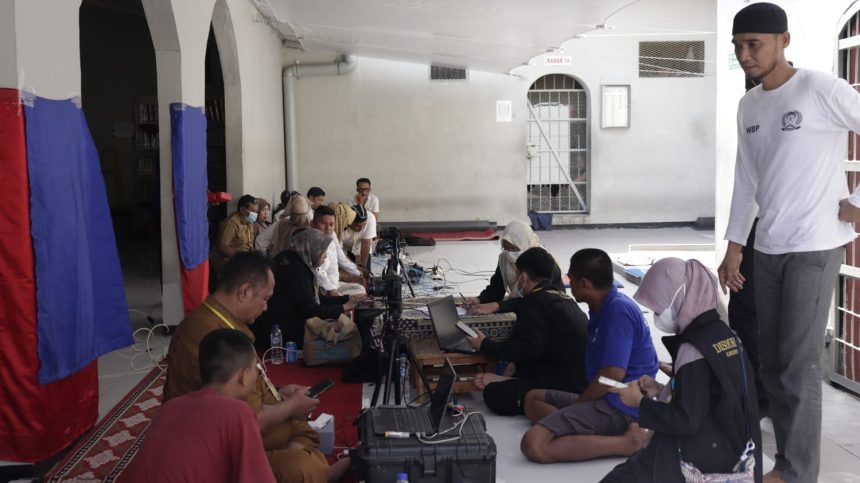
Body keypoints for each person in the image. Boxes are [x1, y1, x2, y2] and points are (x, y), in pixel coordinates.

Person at [719, 3, 860, 481]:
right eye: (738, 46)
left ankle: (797, 472)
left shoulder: (821, 88)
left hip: (815, 245)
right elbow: (746, 179)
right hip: (769, 247)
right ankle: (787, 462)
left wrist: (857, 201)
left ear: (784, 41)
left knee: (798, 365)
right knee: (773, 365)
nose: (745, 55)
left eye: (754, 44)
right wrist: (735, 245)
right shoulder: (749, 105)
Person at [163, 251, 349, 482]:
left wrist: (279, 392)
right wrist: (290, 407)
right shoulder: (210, 333)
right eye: (265, 299)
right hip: (213, 443)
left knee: (303, 429)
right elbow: (241, 419)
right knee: (305, 467)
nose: (266, 308)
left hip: (241, 419)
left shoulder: (217, 319)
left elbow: (236, 386)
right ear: (244, 292)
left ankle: (290, 460)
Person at [600, 258, 763, 483]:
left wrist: (639, 402)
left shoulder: (692, 349)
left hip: (702, 459)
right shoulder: (725, 335)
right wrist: (663, 389)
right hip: (735, 448)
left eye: (659, 307)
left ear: (679, 298)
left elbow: (686, 420)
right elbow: (711, 395)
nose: (657, 314)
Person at [520, 248, 658, 464]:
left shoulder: (618, 311)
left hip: (621, 404)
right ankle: (584, 432)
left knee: (533, 444)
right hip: (606, 395)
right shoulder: (603, 306)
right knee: (532, 398)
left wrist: (580, 405)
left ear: (584, 284)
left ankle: (629, 442)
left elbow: (612, 374)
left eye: (571, 279)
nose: (568, 283)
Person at [126, 329, 276, 483]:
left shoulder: (168, 407)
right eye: (256, 368)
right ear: (244, 376)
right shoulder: (239, 413)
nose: (258, 375)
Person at [465, 247, 588, 416]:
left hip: (564, 383)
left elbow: (527, 348)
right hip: (578, 376)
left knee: (494, 394)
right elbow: (536, 342)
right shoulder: (560, 296)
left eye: (517, 275)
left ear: (523, 277)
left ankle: (519, 386)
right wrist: (515, 363)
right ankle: (514, 380)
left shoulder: (533, 304)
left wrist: (485, 345)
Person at [253, 228, 365, 349]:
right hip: (277, 331)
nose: (325, 256)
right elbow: (312, 310)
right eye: (322, 252)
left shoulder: (291, 258)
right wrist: (343, 308)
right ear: (312, 250)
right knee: (337, 330)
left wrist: (347, 299)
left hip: (271, 323)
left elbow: (315, 299)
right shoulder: (297, 273)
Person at [465, 220, 563, 314]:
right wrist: (479, 300)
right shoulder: (505, 258)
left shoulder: (544, 263)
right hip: (524, 306)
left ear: (525, 244)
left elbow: (539, 300)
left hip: (546, 310)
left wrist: (498, 306)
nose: (510, 253)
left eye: (514, 249)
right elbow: (496, 289)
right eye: (505, 248)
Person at [312, 205, 366, 296]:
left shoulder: (331, 241)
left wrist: (337, 286)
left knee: (360, 289)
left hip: (333, 285)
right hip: (319, 289)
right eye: (323, 223)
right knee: (352, 297)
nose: (328, 228)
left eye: (331, 224)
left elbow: (333, 270)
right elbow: (317, 273)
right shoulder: (310, 243)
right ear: (312, 223)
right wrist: (331, 291)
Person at [211, 194, 258, 275]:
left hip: (245, 260)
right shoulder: (232, 223)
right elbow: (222, 247)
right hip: (230, 261)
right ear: (242, 210)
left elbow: (249, 244)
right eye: (253, 211)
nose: (255, 214)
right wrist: (240, 258)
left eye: (257, 211)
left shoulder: (249, 222)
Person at [342, 205, 376, 269]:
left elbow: (366, 243)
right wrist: (355, 267)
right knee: (349, 271)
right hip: (345, 249)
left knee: (365, 271)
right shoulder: (341, 224)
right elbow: (339, 252)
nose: (361, 228)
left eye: (363, 224)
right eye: (357, 225)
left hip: (361, 248)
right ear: (350, 222)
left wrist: (363, 266)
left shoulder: (370, 218)